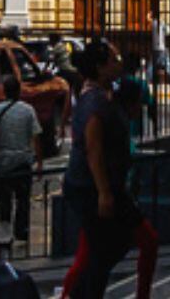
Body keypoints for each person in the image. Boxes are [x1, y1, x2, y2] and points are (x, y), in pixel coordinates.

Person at [62, 40, 137, 298]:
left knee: (107, 246)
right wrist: (104, 192)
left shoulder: (102, 96)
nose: (119, 64)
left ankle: (82, 293)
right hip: (88, 187)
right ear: (100, 67)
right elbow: (93, 149)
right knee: (106, 247)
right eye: (114, 60)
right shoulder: (94, 102)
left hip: (99, 184)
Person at [0, 75, 40, 243]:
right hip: (23, 160)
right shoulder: (28, 110)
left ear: (4, 91)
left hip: (3, 161)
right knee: (23, 199)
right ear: (19, 91)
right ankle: (21, 231)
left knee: (4, 201)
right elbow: (36, 136)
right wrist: (39, 161)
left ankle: (5, 235)